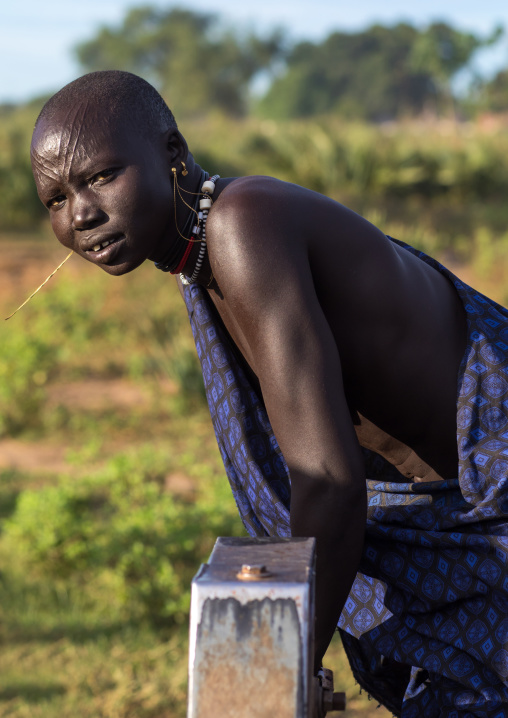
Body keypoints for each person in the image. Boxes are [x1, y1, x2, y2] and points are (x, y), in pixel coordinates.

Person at [30, 70, 508, 717]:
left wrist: (277, 671)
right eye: (55, 199)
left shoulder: (243, 226)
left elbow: (327, 481)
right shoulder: (203, 256)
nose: (80, 213)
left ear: (172, 153)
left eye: (100, 177)